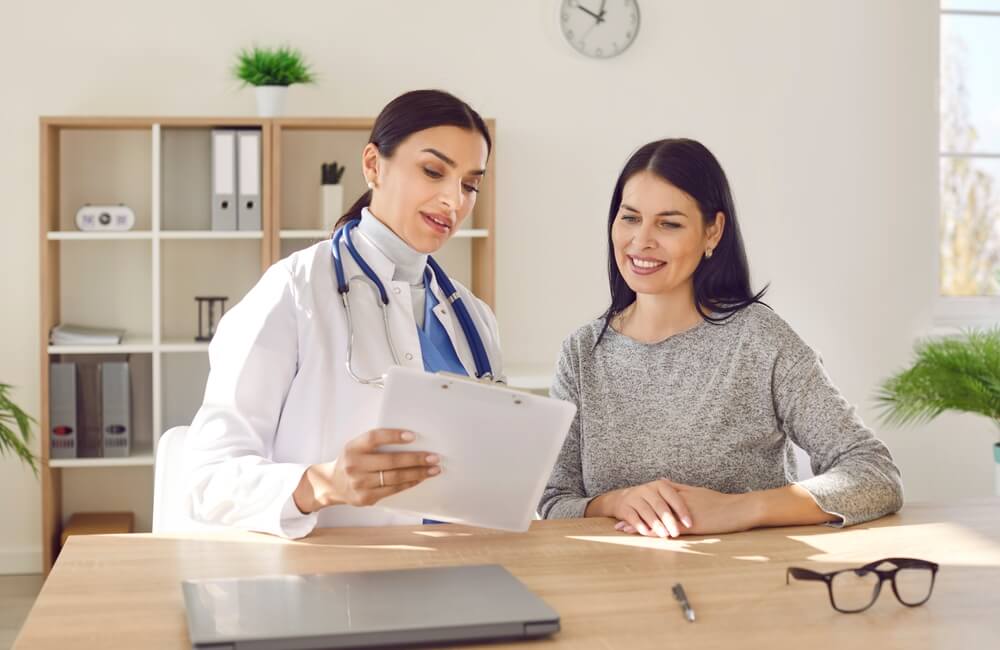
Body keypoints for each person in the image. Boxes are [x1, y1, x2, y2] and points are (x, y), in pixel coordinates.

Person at [539, 138, 902, 538]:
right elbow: (555, 502)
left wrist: (741, 508)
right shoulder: (581, 353)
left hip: (742, 586)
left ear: (713, 232)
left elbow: (874, 473)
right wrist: (613, 502)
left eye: (669, 223)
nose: (641, 241)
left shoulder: (760, 341)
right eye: (630, 218)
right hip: (612, 586)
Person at [182, 89, 502, 538]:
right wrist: (322, 484)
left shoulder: (474, 318)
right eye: (433, 171)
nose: (455, 200)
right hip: (332, 579)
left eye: (470, 184)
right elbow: (208, 479)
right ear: (373, 165)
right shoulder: (294, 289)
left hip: (465, 565)